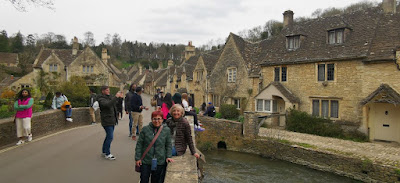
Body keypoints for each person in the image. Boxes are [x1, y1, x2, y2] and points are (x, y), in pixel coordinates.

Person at [135, 111, 174, 183]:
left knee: (156, 180)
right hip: (146, 160)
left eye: (159, 119)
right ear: (151, 119)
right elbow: (139, 144)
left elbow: (168, 144)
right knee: (143, 180)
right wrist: (138, 158)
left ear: (162, 119)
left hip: (159, 160)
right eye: (154, 119)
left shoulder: (166, 130)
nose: (156, 121)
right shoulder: (145, 129)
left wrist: (169, 156)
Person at [97, 86, 122, 160]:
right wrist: (116, 97)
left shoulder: (110, 97)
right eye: (107, 90)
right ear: (103, 91)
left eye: (109, 90)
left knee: (108, 136)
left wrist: (120, 98)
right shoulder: (101, 99)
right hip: (106, 120)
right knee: (110, 137)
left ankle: (104, 151)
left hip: (112, 119)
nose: (108, 91)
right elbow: (108, 105)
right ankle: (107, 153)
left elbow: (116, 104)